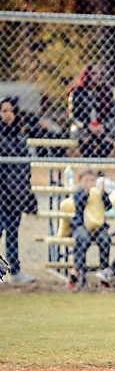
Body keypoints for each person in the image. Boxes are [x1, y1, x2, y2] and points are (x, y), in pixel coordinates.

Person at [0, 97, 37, 284]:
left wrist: (25, 192)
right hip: (1, 192)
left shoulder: (19, 136)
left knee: (13, 233)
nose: (8, 115)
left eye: (11, 111)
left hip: (15, 194)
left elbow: (25, 168)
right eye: (4, 111)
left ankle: (14, 271)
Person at [68, 168, 112, 289]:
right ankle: (77, 271)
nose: (90, 183)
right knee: (83, 238)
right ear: (80, 181)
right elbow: (79, 205)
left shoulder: (98, 193)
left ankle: (104, 271)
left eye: (92, 180)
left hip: (98, 227)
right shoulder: (79, 193)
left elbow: (108, 206)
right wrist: (86, 193)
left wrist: (103, 194)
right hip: (82, 225)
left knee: (105, 239)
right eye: (86, 180)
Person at [67, 63, 114, 141]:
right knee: (86, 141)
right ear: (87, 75)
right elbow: (72, 116)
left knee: (107, 141)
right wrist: (87, 126)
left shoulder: (106, 92)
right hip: (82, 128)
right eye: (94, 73)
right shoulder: (77, 92)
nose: (98, 76)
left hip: (101, 129)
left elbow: (111, 115)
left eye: (101, 74)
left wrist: (103, 126)